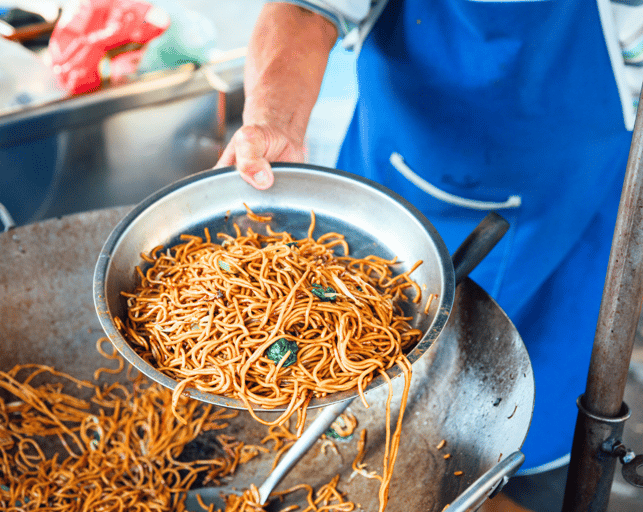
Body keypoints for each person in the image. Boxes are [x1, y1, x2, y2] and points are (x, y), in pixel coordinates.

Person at [215, 0, 639, 505]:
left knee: (517, 446)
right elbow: (307, 9)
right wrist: (274, 123)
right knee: (351, 428)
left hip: (557, 247)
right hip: (382, 228)